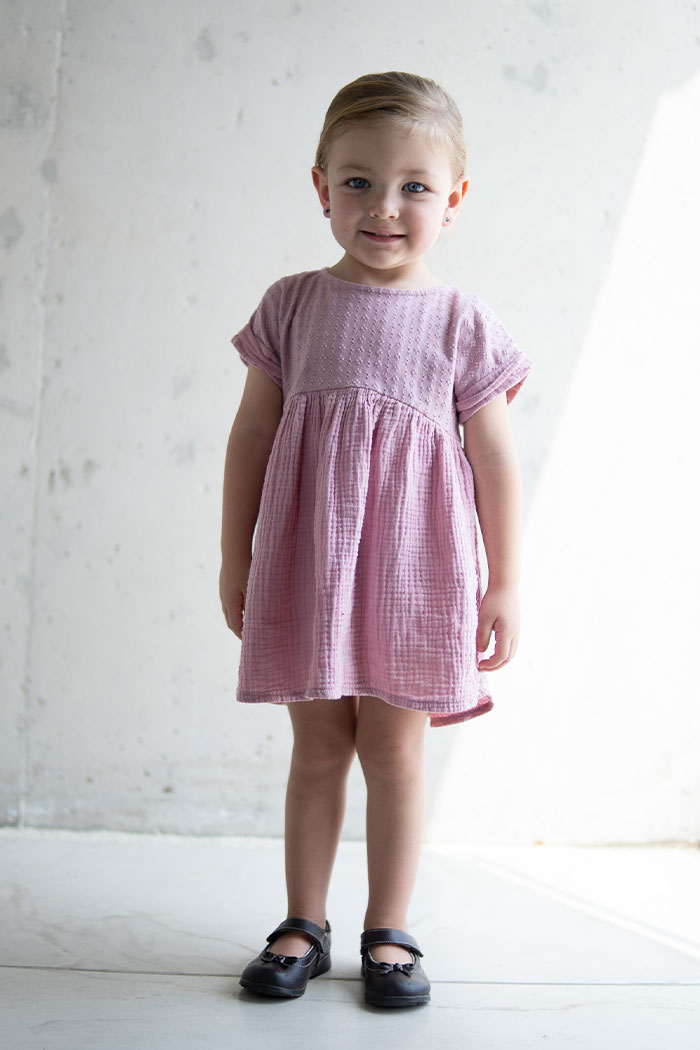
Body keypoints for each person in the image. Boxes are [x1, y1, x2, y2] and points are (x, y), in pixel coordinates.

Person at [219, 70, 534, 1008]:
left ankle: (389, 929)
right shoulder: (292, 305)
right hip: (309, 566)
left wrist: (505, 581)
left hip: (416, 572)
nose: (384, 207)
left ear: (455, 198)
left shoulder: (461, 323)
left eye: (414, 187)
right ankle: (301, 923)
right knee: (318, 745)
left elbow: (495, 461)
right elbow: (251, 436)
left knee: (395, 750)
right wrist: (236, 555)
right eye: (358, 182)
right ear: (321, 186)